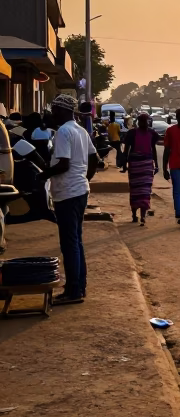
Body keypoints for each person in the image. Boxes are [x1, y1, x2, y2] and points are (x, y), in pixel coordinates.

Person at [41, 93, 98, 304]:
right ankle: (79, 286)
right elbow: (94, 158)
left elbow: (63, 164)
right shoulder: (81, 130)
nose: (53, 114)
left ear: (65, 111)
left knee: (70, 243)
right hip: (79, 191)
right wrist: (85, 178)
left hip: (68, 193)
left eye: (55, 110)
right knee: (76, 241)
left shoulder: (64, 131)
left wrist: (42, 175)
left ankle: (74, 290)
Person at [121, 113, 159, 223]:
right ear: (139, 122)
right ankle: (134, 214)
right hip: (135, 165)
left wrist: (156, 164)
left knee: (145, 190)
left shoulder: (152, 133)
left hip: (147, 165)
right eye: (143, 121)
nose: (145, 123)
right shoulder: (132, 133)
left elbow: (154, 149)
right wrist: (124, 164)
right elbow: (126, 150)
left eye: (146, 121)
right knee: (135, 190)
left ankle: (142, 216)